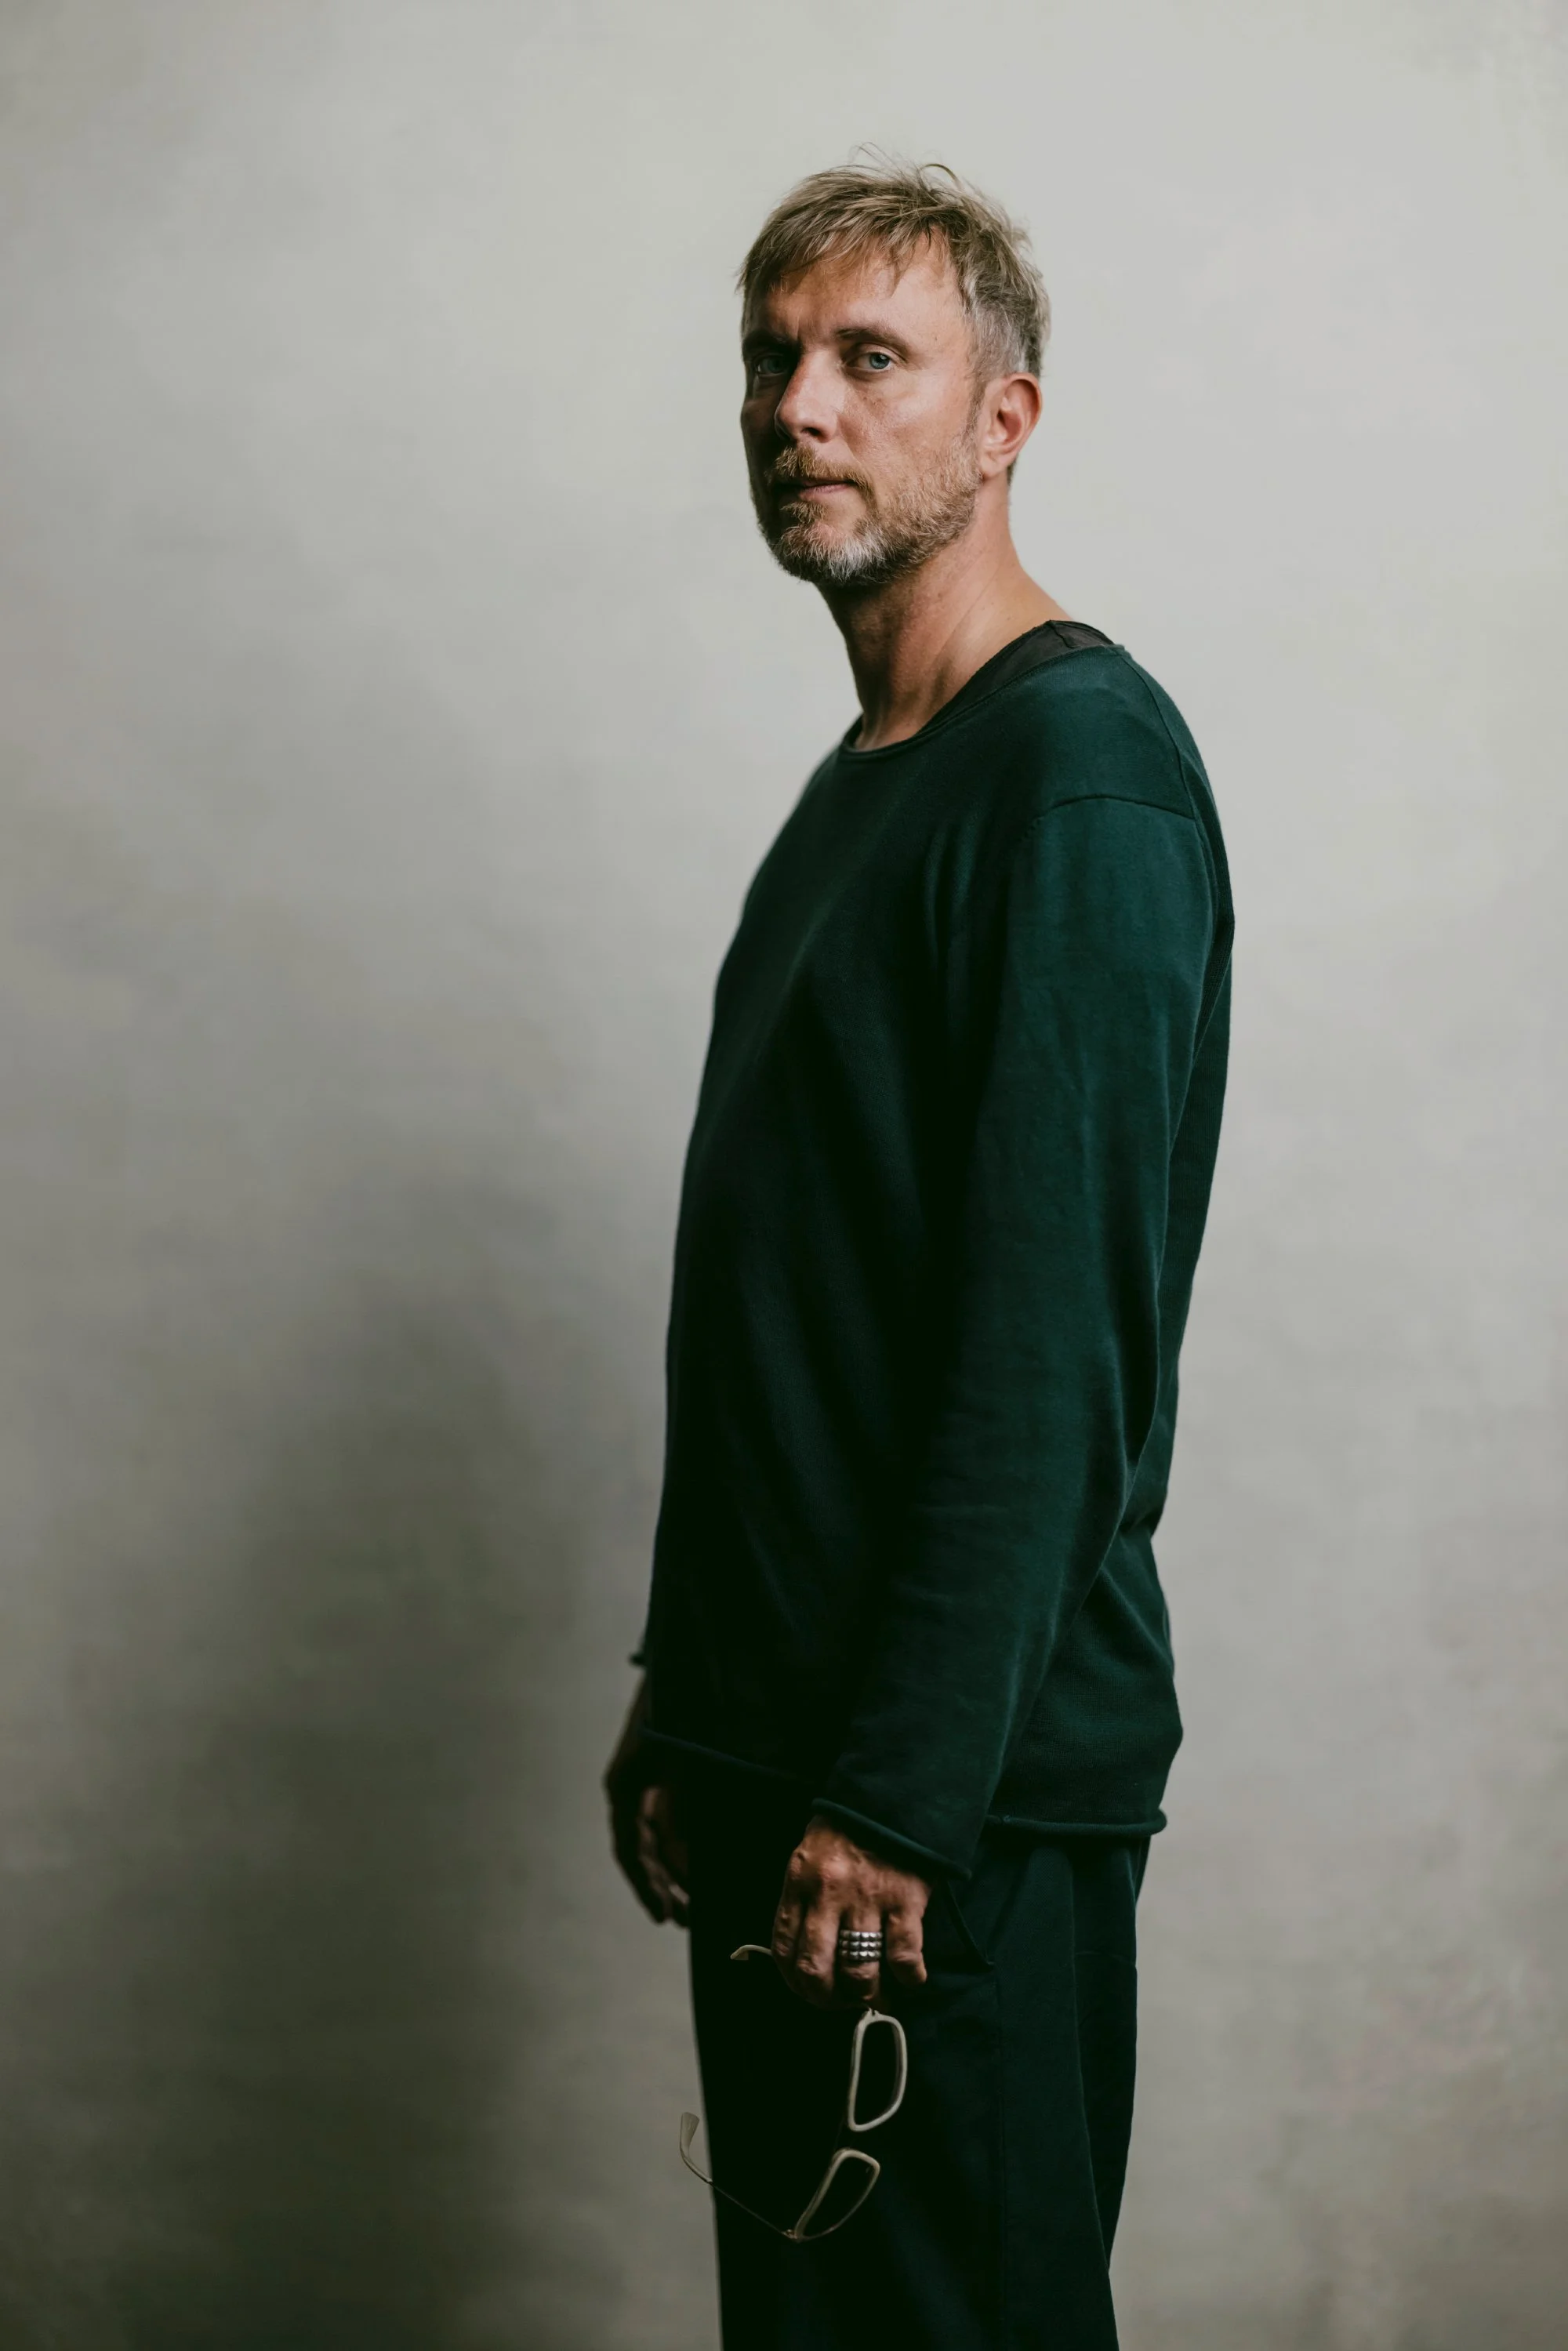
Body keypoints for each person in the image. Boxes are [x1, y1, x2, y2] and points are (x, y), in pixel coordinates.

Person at [605, 156, 1232, 2351]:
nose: (801, 404)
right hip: (784, 1780)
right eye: (772, 358)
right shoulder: (864, 785)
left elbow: (1049, 1356)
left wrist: (897, 1795)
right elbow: (797, 1291)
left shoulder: (1077, 779)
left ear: (1004, 418)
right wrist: (693, 1690)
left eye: (872, 356)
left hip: (935, 1820)